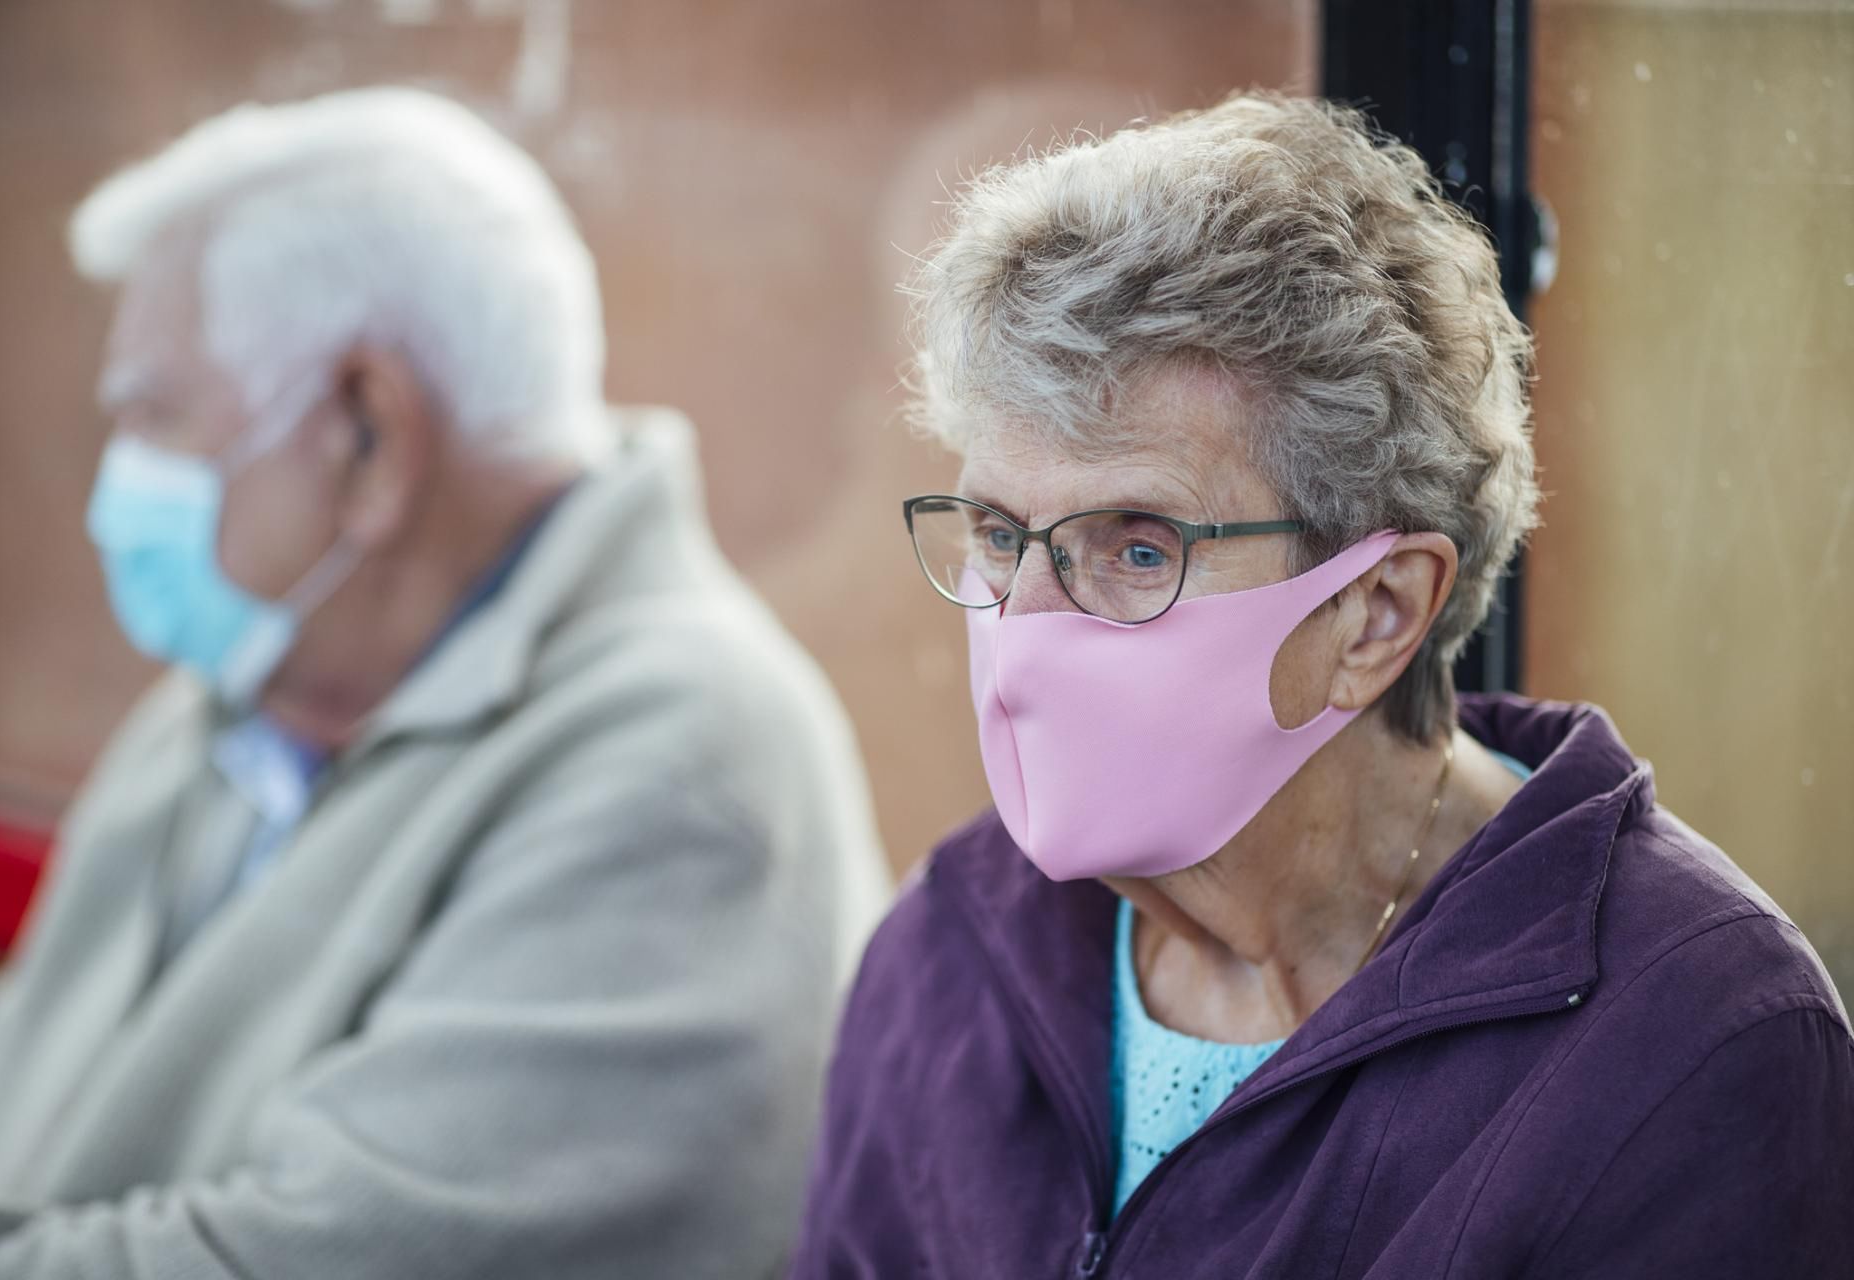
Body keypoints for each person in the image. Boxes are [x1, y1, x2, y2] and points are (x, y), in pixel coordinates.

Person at [792, 93, 1853, 1278]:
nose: (1026, 625)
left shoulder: (1688, 1045)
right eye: (998, 531)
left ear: (1376, 613)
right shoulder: (954, 948)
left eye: (1137, 546)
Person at [0, 87, 887, 1280]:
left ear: (369, 429)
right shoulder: (237, 693)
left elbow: (321, 1257)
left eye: (157, 417)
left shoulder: (684, 756)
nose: (117, 485)